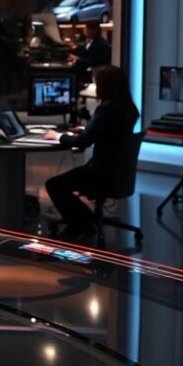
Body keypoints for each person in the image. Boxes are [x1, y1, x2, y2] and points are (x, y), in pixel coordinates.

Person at [44, 65, 139, 239]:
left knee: (54, 184)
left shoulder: (106, 109)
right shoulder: (129, 109)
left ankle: (81, 224)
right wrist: (87, 129)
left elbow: (83, 142)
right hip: (117, 172)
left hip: (99, 173)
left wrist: (58, 136)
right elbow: (110, 132)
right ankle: (86, 220)